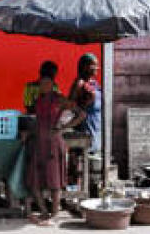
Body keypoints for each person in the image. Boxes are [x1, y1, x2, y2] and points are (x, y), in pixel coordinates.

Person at [25, 61, 84, 222]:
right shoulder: (38, 100)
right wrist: (28, 133)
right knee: (34, 181)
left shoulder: (60, 99)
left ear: (52, 84)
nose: (43, 86)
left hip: (53, 143)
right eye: (41, 83)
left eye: (47, 83)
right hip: (38, 142)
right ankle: (44, 210)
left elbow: (81, 114)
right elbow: (36, 120)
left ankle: (55, 212)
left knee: (54, 180)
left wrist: (64, 127)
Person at [67, 53, 102, 153]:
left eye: (97, 65)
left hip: (96, 129)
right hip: (84, 131)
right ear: (84, 67)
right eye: (93, 65)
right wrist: (82, 107)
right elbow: (70, 104)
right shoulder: (79, 84)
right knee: (83, 161)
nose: (97, 68)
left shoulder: (94, 84)